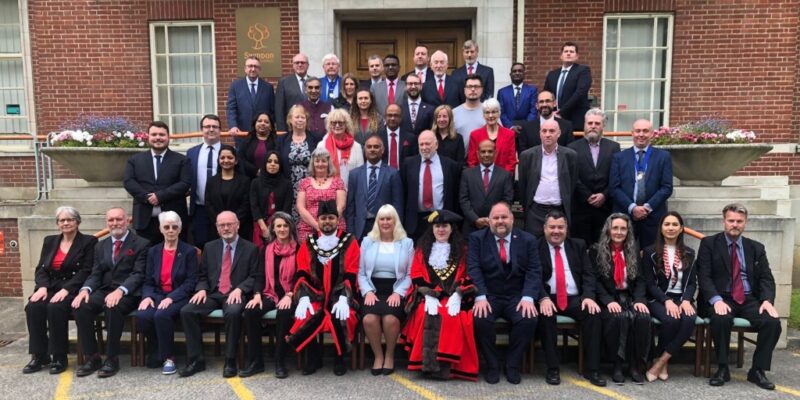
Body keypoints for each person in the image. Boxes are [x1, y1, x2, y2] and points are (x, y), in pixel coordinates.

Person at [698, 203, 781, 390]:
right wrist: (716, 300)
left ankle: (757, 370)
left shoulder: (756, 248)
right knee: (721, 319)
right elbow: (704, 276)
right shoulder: (709, 244)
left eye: (739, 221)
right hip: (721, 296)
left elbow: (766, 278)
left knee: (772, 322)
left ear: (745, 223)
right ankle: (722, 368)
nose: (735, 224)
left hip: (749, 298)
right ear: (724, 222)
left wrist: (767, 301)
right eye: (731, 220)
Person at [178, 211, 260, 378]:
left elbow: (255, 276)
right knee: (187, 311)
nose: (226, 228)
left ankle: (230, 360)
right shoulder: (209, 247)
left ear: (237, 225)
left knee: (233, 312)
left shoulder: (251, 248)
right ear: (217, 228)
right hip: (213, 293)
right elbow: (202, 275)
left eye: (229, 224)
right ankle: (196, 359)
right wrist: (201, 288)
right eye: (222, 225)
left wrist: (241, 289)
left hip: (235, 294)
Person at [401, 209, 478, 381]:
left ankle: (446, 368)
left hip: (454, 296)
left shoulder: (463, 250)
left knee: (454, 317)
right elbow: (417, 274)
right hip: (428, 296)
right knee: (425, 313)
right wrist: (428, 294)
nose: (441, 230)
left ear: (452, 229)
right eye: (437, 226)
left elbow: (468, 274)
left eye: (445, 226)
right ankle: (427, 365)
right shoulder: (422, 250)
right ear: (432, 229)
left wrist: (458, 295)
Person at [71, 207, 149, 378]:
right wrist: (85, 290)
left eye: (119, 219)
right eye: (111, 220)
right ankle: (93, 357)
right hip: (105, 290)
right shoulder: (101, 246)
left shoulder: (141, 244)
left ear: (127, 220)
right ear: (107, 223)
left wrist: (121, 290)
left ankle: (112, 358)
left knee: (112, 306)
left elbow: (138, 274)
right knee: (81, 306)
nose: (115, 223)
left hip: (130, 293)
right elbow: (96, 273)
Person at [468, 202, 540, 384]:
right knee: (480, 319)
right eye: (496, 217)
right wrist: (480, 296)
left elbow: (534, 270)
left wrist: (528, 297)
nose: (500, 221)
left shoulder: (528, 240)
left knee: (528, 319)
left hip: (517, 296)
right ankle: (492, 365)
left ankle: (512, 364)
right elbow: (474, 269)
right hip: (489, 295)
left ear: (512, 219)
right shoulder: (477, 238)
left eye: (504, 217)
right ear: (489, 220)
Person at [287, 200, 360, 376]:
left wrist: (344, 298)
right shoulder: (308, 243)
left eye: (331, 218)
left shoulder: (349, 241)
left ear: (337, 219)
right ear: (317, 220)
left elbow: (351, 272)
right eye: (323, 218)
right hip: (315, 296)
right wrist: (303, 297)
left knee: (343, 315)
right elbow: (302, 272)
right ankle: (314, 358)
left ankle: (340, 358)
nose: (327, 222)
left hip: (342, 295)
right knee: (306, 314)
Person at [24, 206, 97, 375]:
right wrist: (42, 287)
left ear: (77, 222)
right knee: (33, 306)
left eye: (70, 219)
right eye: (62, 220)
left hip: (73, 287)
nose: (66, 223)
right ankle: (40, 355)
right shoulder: (49, 241)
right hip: (49, 286)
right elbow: (41, 268)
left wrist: (66, 289)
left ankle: (59, 356)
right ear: (57, 224)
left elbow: (86, 270)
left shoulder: (88, 241)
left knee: (55, 308)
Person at [536, 210, 605, 387]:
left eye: (560, 227)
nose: (556, 231)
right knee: (545, 317)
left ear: (566, 229)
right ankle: (552, 368)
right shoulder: (536, 247)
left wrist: (588, 296)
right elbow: (533, 277)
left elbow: (589, 274)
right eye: (552, 227)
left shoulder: (578, 245)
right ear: (545, 228)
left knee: (593, 315)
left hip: (575, 298)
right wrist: (542, 297)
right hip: (548, 297)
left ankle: (593, 369)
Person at [590, 213, 651, 385]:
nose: (619, 232)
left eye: (623, 228)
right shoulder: (596, 251)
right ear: (608, 230)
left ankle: (635, 365)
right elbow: (594, 281)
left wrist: (639, 300)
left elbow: (640, 279)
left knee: (642, 317)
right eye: (615, 228)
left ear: (628, 231)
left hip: (630, 297)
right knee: (619, 318)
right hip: (608, 298)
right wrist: (608, 301)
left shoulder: (632, 250)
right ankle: (617, 365)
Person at [135, 211, 198, 375]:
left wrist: (171, 298)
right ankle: (156, 350)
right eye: (167, 227)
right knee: (142, 315)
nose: (170, 230)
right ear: (161, 229)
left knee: (161, 315)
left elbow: (191, 282)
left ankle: (169, 357)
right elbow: (148, 280)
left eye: (174, 227)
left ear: (180, 229)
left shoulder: (189, 251)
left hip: (180, 296)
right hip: (157, 294)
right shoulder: (153, 251)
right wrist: (147, 296)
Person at [358, 205, 414, 375]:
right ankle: (378, 356)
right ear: (377, 222)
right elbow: (360, 272)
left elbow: (411, 274)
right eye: (381, 219)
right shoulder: (368, 241)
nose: (385, 222)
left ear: (395, 221)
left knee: (390, 319)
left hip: (395, 289)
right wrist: (367, 291)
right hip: (373, 289)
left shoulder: (406, 243)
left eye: (389, 218)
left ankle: (389, 355)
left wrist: (398, 292)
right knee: (369, 319)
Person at [641, 211, 697, 382]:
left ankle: (660, 361)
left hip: (682, 297)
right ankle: (662, 361)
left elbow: (692, 282)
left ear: (681, 229)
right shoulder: (650, 252)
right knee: (671, 320)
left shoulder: (689, 252)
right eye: (667, 224)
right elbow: (650, 284)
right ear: (661, 228)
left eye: (675, 225)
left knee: (689, 318)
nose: (671, 228)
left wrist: (686, 300)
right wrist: (667, 301)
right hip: (658, 297)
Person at [242, 212, 298, 379]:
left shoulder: (300, 249)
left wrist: (290, 294)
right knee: (251, 311)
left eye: (285, 225)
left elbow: (301, 276)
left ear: (290, 227)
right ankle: (255, 361)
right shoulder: (266, 250)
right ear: (273, 228)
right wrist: (257, 295)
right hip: (269, 293)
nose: (282, 229)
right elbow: (259, 275)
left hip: (291, 295)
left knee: (285, 313)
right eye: (278, 226)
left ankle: (280, 361)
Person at [123, 121, 191, 244]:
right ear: (148, 137)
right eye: (154, 134)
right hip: (144, 220)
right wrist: (146, 197)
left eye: (162, 134)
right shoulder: (135, 160)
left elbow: (185, 183)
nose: (158, 138)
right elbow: (128, 182)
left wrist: (160, 196)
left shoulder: (182, 160)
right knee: (146, 257)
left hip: (173, 220)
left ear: (168, 137)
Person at [609, 118, 673, 249]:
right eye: (637, 131)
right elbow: (614, 187)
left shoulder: (663, 156)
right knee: (623, 256)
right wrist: (632, 208)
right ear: (632, 133)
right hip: (624, 216)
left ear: (652, 134)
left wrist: (647, 208)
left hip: (653, 216)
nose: (641, 134)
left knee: (652, 257)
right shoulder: (619, 157)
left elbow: (666, 187)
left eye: (645, 131)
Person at [568, 108, 620, 245]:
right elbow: (572, 175)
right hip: (580, 207)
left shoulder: (614, 147)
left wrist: (604, 195)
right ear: (584, 125)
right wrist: (586, 195)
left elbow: (615, 175)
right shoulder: (572, 148)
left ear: (603, 126)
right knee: (581, 247)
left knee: (604, 247)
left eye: (597, 123)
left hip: (605, 208)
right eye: (590, 123)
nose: (593, 126)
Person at [518, 119, 578, 237]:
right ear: (540, 133)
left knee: (558, 248)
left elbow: (572, 182)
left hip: (560, 211)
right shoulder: (527, 156)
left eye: (551, 131)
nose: (548, 134)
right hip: (535, 211)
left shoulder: (570, 156)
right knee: (533, 247)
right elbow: (523, 185)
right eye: (544, 131)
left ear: (559, 133)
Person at [400, 130, 462, 240]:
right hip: (415, 221)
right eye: (421, 144)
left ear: (436, 144)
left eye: (427, 144)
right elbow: (403, 192)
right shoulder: (408, 164)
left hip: (441, 220)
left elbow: (455, 194)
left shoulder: (450, 165)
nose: (424, 147)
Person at [346, 135, 403, 239]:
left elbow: (397, 204)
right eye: (369, 147)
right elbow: (350, 206)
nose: (372, 149)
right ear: (364, 150)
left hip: (385, 227)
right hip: (360, 228)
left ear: (382, 150)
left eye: (376, 147)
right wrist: (350, 231)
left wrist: (396, 229)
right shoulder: (354, 174)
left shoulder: (393, 173)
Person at [459, 140, 513, 235]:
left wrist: (493, 219)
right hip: (471, 226)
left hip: (496, 227)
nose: (486, 154)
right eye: (483, 152)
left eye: (490, 151)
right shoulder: (467, 174)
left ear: (495, 153)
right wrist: (475, 219)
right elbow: (464, 200)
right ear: (478, 153)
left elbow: (507, 199)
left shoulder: (505, 175)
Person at [277, 104, 320, 221]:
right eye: (297, 117)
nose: (300, 120)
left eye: (303, 117)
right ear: (290, 120)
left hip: (310, 188)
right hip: (289, 188)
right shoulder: (282, 140)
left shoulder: (315, 139)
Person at [186, 114, 222, 247]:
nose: (211, 129)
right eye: (207, 126)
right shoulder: (192, 153)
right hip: (199, 209)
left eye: (215, 127)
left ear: (220, 130)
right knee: (200, 245)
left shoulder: (229, 152)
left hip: (222, 209)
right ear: (202, 129)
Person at [296, 148, 347, 240]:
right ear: (313, 163)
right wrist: (317, 226)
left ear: (328, 163)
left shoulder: (338, 182)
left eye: (323, 161)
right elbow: (300, 207)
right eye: (317, 161)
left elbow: (341, 206)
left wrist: (329, 224)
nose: (320, 164)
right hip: (308, 228)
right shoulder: (304, 182)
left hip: (334, 227)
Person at [205, 145, 252, 241]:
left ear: (236, 160)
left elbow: (246, 205)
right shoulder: (211, 181)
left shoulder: (245, 181)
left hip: (240, 229)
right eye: (222, 158)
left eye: (230, 157)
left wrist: (233, 224)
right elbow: (208, 203)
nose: (226, 160)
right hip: (216, 230)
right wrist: (220, 223)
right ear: (218, 160)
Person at [226, 56, 275, 147]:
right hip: (242, 134)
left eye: (256, 66)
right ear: (245, 69)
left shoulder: (268, 87)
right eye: (250, 66)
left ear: (260, 69)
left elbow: (272, 111)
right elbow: (231, 108)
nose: (253, 69)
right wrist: (233, 126)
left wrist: (270, 129)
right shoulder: (235, 86)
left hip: (263, 135)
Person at [249, 150, 293, 248]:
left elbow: (287, 208)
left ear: (280, 165)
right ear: (264, 164)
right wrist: (263, 227)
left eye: (276, 162)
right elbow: (254, 206)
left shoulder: (287, 184)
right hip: (260, 225)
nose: (272, 164)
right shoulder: (255, 183)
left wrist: (276, 227)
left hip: (281, 226)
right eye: (269, 161)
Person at [544, 42, 591, 131]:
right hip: (555, 120)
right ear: (561, 56)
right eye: (566, 51)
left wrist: (561, 112)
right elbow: (546, 94)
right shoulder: (552, 75)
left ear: (577, 56)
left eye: (572, 51)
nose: (568, 53)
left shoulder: (583, 71)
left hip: (576, 121)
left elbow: (580, 93)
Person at [466, 98, 517, 174]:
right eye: (487, 112)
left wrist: (503, 178)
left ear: (499, 113)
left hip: (502, 179)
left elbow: (511, 161)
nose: (490, 115)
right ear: (483, 115)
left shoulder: (509, 134)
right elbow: (472, 162)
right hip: (481, 180)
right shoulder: (475, 135)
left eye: (494, 112)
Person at [316, 108, 364, 187]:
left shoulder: (356, 146)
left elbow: (360, 173)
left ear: (346, 125)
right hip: (328, 191)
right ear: (329, 125)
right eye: (334, 123)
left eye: (341, 122)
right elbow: (318, 171)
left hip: (351, 191)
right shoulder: (321, 146)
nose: (337, 125)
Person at [275, 53, 309, 133]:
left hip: (310, 128)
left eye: (302, 62)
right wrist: (281, 131)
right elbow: (279, 109)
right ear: (293, 65)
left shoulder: (313, 81)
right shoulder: (284, 82)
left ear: (308, 65)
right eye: (297, 63)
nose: (300, 65)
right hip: (290, 129)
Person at [497, 62, 537, 130]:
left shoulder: (532, 90)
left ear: (524, 74)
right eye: (514, 71)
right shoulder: (502, 92)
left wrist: (525, 126)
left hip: (527, 129)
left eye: (520, 71)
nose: (517, 73)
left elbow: (533, 111)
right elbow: (501, 112)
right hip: (508, 130)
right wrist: (510, 126)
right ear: (510, 74)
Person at [238, 112, 278, 179]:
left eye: (266, 122)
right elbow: (241, 159)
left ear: (271, 126)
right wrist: (256, 171)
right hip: (250, 179)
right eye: (259, 121)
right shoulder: (247, 141)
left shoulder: (277, 142)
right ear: (255, 124)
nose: (263, 123)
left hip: (272, 179)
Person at [452, 74, 486, 152]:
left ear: (482, 90)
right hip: (461, 160)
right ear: (464, 90)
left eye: (476, 86)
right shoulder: (454, 113)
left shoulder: (490, 111)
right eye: (469, 86)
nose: (473, 89)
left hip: (484, 159)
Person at [380, 104, 417, 170]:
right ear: (385, 117)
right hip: (383, 175)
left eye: (396, 115)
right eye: (390, 115)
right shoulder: (378, 137)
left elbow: (414, 161)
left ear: (401, 117)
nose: (392, 118)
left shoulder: (411, 138)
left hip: (403, 176)